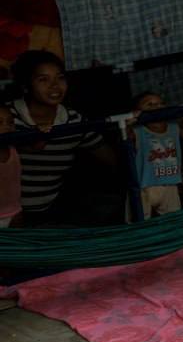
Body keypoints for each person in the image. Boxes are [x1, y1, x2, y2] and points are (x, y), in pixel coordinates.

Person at [8, 50, 113, 225]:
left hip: (49, 213)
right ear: (26, 85)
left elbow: (112, 159)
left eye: (60, 78)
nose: (55, 86)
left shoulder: (74, 120)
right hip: (6, 217)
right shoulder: (6, 117)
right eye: (43, 79)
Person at [128, 91, 183, 220]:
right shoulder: (138, 131)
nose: (157, 107)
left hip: (169, 184)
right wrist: (130, 121)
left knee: (174, 220)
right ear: (138, 110)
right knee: (139, 223)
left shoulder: (173, 128)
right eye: (150, 104)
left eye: (161, 103)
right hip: (144, 187)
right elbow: (124, 136)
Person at [0, 106, 21, 227]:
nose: (7, 126)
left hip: (14, 212)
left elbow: (38, 146)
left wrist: (43, 131)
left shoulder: (13, 147)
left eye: (10, 122)